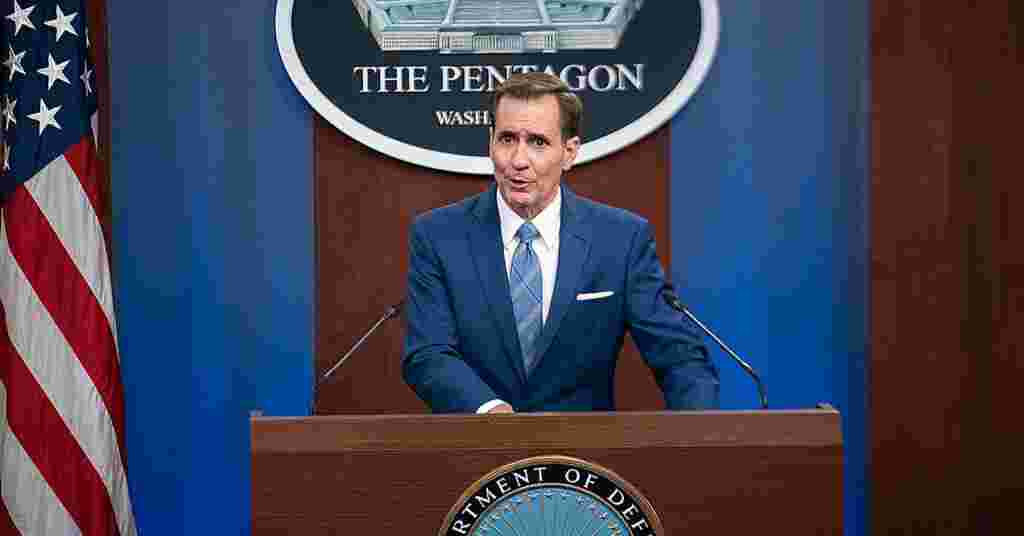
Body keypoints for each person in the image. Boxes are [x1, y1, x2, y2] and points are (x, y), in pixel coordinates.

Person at [402, 72, 719, 414]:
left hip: (583, 446)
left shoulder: (620, 240)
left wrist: (698, 433)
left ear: (569, 152)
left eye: (538, 142)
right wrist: (491, 413)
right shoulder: (439, 236)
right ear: (490, 142)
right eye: (507, 139)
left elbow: (679, 357)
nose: (518, 160)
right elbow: (428, 354)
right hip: (478, 441)